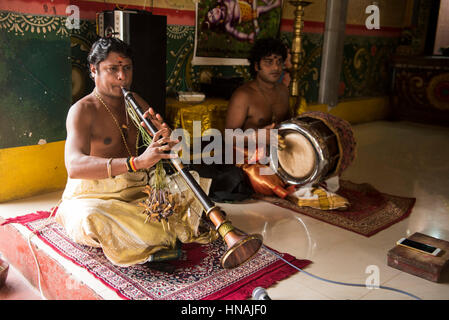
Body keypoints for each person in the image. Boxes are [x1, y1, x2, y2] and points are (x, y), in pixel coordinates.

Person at [56, 37, 218, 267]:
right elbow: (74, 166)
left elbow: (169, 143)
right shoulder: (82, 110)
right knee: (90, 217)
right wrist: (137, 163)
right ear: (94, 70)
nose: (122, 77)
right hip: (95, 193)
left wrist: (166, 136)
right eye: (113, 69)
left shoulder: (135, 101)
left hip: (136, 187)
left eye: (127, 68)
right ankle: (150, 236)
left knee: (191, 184)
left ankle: (144, 236)